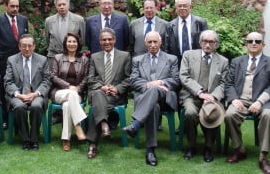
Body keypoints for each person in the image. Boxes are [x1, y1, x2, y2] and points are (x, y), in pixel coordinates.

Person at [225, 32, 270, 174]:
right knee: (229, 115)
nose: (254, 43)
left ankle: (263, 157)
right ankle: (239, 150)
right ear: (246, 44)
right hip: (241, 100)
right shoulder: (237, 61)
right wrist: (234, 99)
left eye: (257, 41)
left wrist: (259, 101)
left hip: (263, 101)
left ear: (263, 44)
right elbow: (229, 83)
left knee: (269, 115)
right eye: (250, 41)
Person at [123, 31, 180, 166]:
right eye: (150, 42)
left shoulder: (171, 59)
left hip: (165, 98)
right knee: (153, 107)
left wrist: (159, 83)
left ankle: (136, 124)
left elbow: (176, 80)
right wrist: (148, 84)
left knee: (155, 89)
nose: (153, 45)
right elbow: (134, 80)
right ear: (145, 44)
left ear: (160, 43)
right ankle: (150, 150)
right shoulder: (138, 60)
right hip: (145, 97)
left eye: (155, 42)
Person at [179, 30, 229, 162]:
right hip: (191, 95)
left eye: (211, 42)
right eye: (205, 41)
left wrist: (213, 96)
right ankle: (191, 146)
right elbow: (184, 76)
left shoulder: (223, 61)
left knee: (213, 112)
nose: (208, 44)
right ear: (200, 42)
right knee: (189, 113)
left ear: (216, 44)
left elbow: (224, 83)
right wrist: (200, 92)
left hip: (212, 97)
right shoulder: (188, 55)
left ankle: (208, 148)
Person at [86, 28, 131, 159]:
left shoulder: (124, 56)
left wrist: (117, 88)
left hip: (116, 95)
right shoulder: (94, 57)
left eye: (109, 39)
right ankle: (104, 125)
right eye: (104, 39)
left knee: (99, 106)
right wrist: (102, 87)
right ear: (100, 41)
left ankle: (93, 144)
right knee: (99, 95)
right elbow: (90, 79)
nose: (107, 42)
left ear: (114, 40)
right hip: (98, 92)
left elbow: (129, 78)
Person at [0, 0, 28, 129]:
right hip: (2, 62)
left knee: (18, 88)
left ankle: (18, 118)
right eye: (12, 6)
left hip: (20, 62)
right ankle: (5, 119)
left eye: (17, 6)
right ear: (5, 6)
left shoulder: (23, 20)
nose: (15, 9)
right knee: (4, 90)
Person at [4, 34, 51, 150]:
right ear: (19, 47)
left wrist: (35, 94)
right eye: (24, 46)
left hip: (36, 94)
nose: (27, 49)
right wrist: (19, 95)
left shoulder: (42, 60)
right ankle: (25, 139)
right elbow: (8, 81)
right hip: (18, 94)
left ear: (34, 46)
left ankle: (34, 139)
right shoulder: (12, 60)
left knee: (36, 106)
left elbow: (46, 81)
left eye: (30, 46)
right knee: (19, 106)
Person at [50, 32, 88, 151]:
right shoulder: (58, 58)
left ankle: (66, 139)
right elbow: (53, 76)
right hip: (59, 92)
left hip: (77, 94)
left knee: (67, 105)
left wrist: (78, 88)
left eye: (74, 42)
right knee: (71, 94)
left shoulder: (84, 59)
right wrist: (68, 86)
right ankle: (78, 126)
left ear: (78, 44)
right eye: (69, 41)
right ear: (65, 44)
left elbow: (87, 78)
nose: (72, 44)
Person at [165, 0, 208, 67]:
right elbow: (167, 47)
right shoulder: (170, 25)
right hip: (178, 63)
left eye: (185, 6)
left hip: (197, 62)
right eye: (179, 6)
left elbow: (207, 43)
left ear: (190, 7)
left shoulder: (200, 22)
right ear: (176, 8)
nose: (182, 8)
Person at [45, 0, 85, 68]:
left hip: (72, 57)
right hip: (54, 57)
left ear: (68, 4)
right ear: (56, 6)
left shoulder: (79, 20)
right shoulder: (49, 21)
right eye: (59, 5)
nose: (62, 7)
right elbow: (47, 39)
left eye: (64, 4)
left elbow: (82, 39)